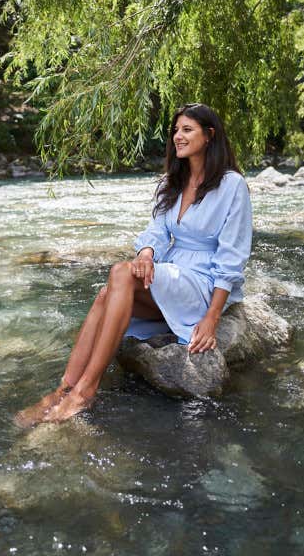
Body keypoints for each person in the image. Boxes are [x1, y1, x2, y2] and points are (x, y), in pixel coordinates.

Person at [16, 103, 253, 425]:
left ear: (209, 135)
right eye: (175, 130)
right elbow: (156, 230)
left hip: (203, 282)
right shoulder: (175, 179)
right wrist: (146, 253)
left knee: (119, 273)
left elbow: (232, 255)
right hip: (174, 273)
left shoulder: (231, 185)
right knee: (105, 294)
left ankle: (85, 391)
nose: (177, 137)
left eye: (187, 130)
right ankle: (64, 388)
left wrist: (212, 317)